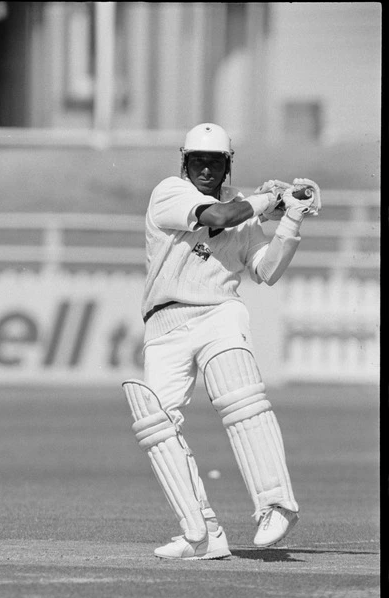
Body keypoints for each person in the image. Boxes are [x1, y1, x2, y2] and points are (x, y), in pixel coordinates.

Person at [122, 122, 321, 560]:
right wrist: (270, 199)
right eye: (198, 161)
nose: (206, 169)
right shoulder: (169, 193)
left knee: (241, 397)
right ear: (184, 161)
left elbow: (265, 271)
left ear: (227, 163)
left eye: (215, 162)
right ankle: (202, 533)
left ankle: (275, 503)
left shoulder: (243, 207)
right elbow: (217, 217)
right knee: (155, 424)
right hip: (166, 321)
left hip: (219, 311)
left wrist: (290, 218)